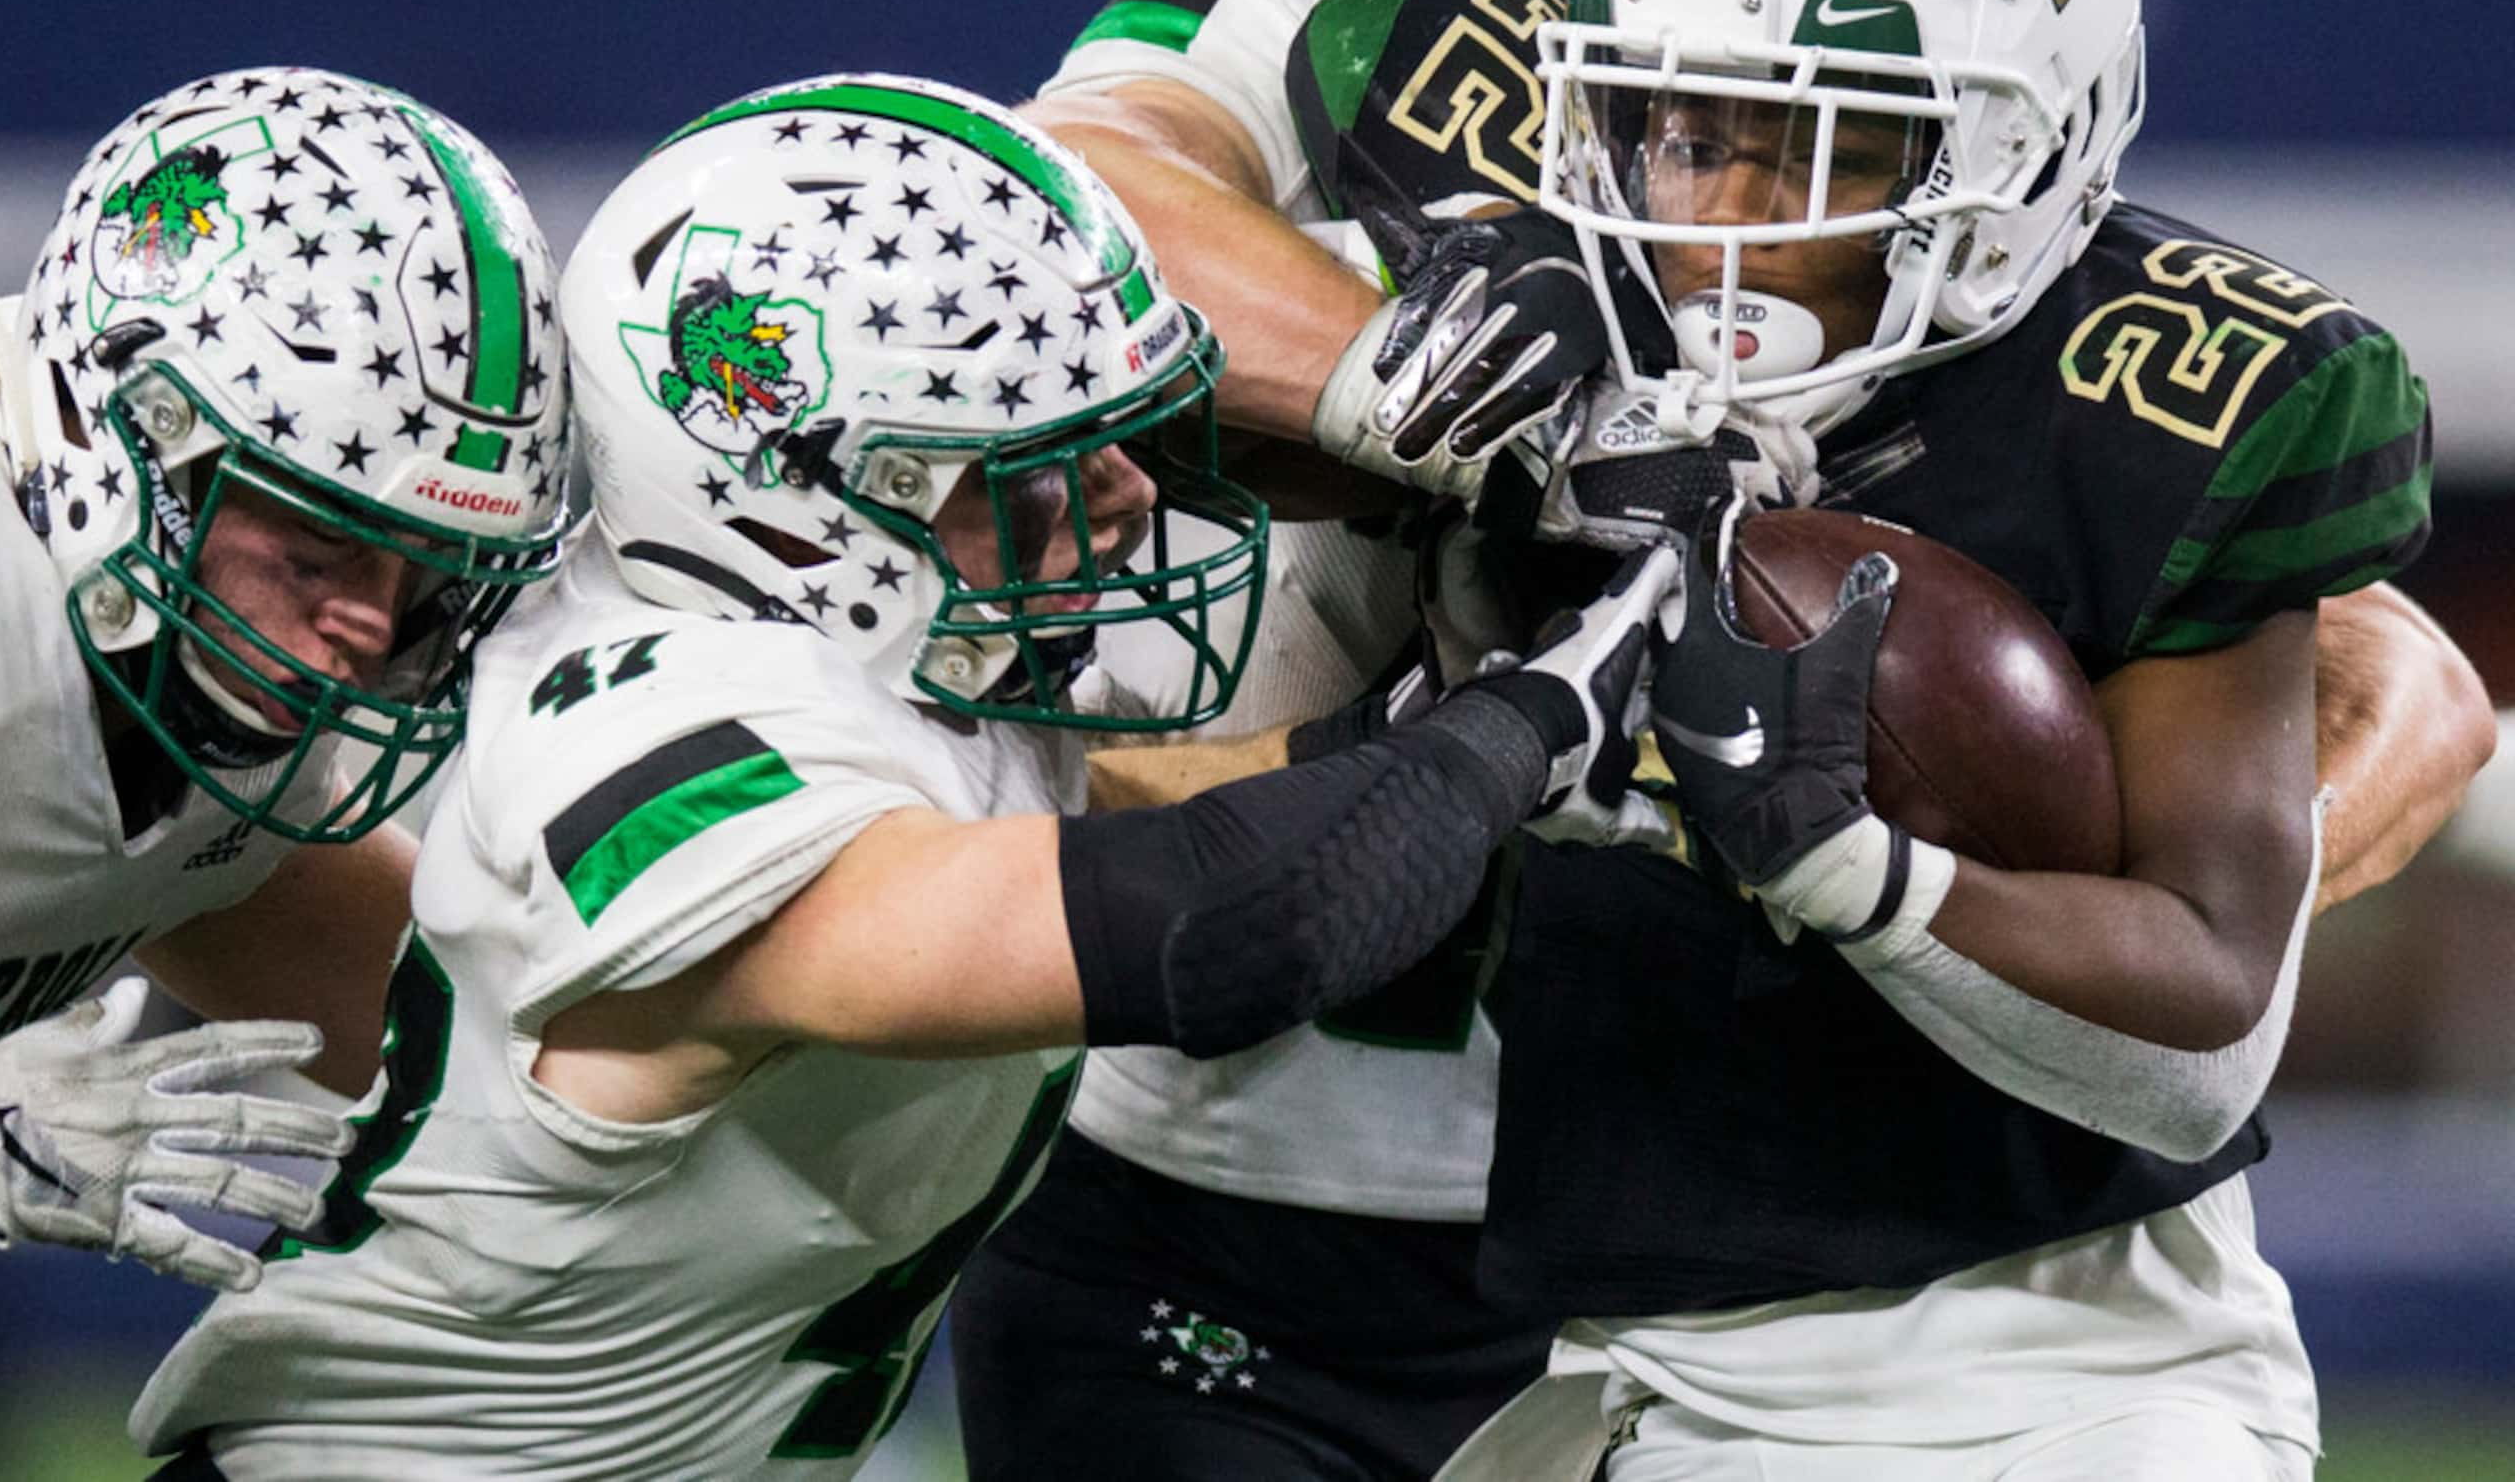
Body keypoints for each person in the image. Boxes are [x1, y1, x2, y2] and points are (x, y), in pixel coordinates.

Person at [949, 0, 2494, 1479]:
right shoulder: (1343, 36)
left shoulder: (2076, 321)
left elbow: (2376, 695)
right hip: (1250, 1141)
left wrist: (1935, 874)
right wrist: (1428, 399)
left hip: (1775, 1215)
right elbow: (1058, 209)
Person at [126, 75, 1666, 1481]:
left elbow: (1163, 816)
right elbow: (1224, 924)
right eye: (1035, 470)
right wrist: (1539, 709)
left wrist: (1453, 711)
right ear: (815, 510)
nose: (1125, 505)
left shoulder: (858, 670)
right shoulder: (659, 744)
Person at [1445, 0, 2422, 1480]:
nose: (1714, 223)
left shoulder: (2168, 392)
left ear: (2010, 139)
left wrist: (1851, 868)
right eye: (1675, 131)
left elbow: (2196, 1049)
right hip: (1611, 1360)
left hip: (2049, 1380)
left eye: (1804, 149)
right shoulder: (1533, 336)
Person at [0, 66, 573, 1293]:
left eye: (423, 575)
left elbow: (478, 1053)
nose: (367, 633)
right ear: (115, 437)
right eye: (314, 547)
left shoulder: (179, 636)